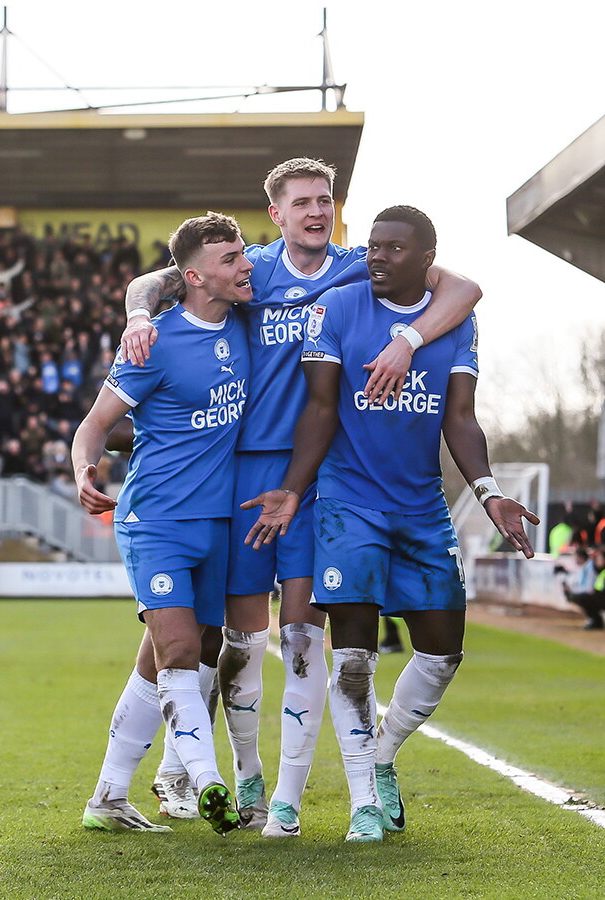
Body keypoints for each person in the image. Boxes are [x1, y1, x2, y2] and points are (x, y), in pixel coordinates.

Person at [120, 159, 482, 835]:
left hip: (322, 478)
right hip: (244, 474)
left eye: (325, 199)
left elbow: (461, 288)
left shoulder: (357, 267)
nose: (317, 210)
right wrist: (139, 313)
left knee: (301, 635)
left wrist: (408, 338)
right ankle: (220, 770)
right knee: (232, 638)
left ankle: (284, 796)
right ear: (276, 215)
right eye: (302, 202)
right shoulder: (249, 269)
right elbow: (160, 279)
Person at [243, 205, 538, 842]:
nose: (377, 256)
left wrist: (489, 493)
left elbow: (460, 417)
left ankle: (379, 756)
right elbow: (321, 409)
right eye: (373, 246)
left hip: (422, 508)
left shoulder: (457, 322)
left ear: (426, 259)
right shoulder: (339, 309)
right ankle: (365, 804)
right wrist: (293, 491)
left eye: (394, 249)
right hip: (348, 504)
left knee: (443, 650)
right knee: (353, 657)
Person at [71, 212, 253, 834]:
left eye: (243, 254)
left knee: (186, 650)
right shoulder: (155, 342)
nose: (244, 265)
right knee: (178, 647)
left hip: (218, 523)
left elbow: (153, 283)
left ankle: (108, 797)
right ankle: (206, 780)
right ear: (194, 276)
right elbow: (93, 425)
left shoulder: (250, 322)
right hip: (157, 519)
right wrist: (82, 470)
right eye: (229, 259)